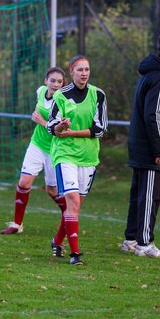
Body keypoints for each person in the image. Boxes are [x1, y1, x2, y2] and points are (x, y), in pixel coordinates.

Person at [121, 32, 160, 257]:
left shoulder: (150, 74)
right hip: (150, 148)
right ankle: (144, 244)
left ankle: (130, 239)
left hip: (140, 143)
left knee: (138, 195)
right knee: (149, 196)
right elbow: (154, 115)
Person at [47, 55, 108, 265]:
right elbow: (51, 126)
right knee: (72, 201)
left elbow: (99, 129)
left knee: (74, 207)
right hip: (64, 154)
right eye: (80, 70)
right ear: (71, 72)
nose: (84, 73)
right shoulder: (61, 95)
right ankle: (75, 254)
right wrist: (59, 127)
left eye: (87, 69)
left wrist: (71, 132)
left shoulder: (98, 94)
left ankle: (57, 241)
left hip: (89, 157)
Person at [1, 66, 67, 254]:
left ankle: (69, 215)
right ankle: (17, 224)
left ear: (63, 84)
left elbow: (60, 131)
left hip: (55, 149)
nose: (55, 84)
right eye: (52, 80)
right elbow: (38, 110)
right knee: (24, 181)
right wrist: (38, 118)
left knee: (52, 191)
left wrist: (41, 121)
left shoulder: (62, 101)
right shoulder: (40, 91)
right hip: (37, 145)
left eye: (59, 82)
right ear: (46, 81)